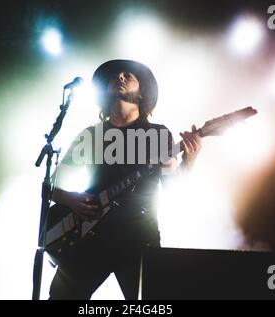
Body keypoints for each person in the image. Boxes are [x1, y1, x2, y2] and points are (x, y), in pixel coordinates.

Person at [48, 59, 202, 300]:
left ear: (142, 93)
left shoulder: (158, 135)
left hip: (139, 236)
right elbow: (50, 188)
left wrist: (190, 161)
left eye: (127, 75)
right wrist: (72, 200)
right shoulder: (90, 135)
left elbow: (174, 188)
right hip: (90, 237)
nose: (119, 78)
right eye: (114, 77)